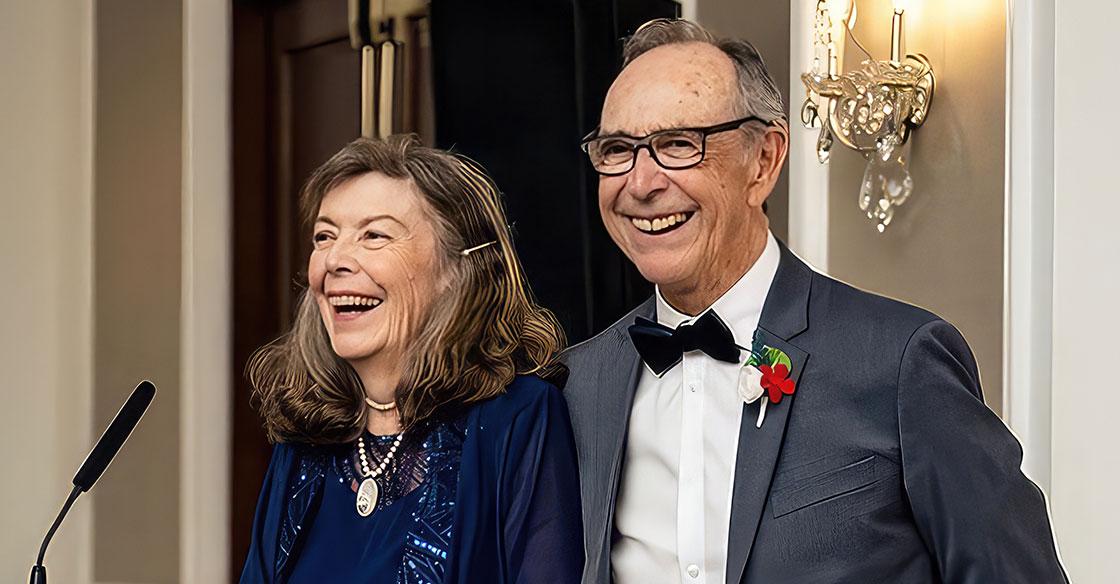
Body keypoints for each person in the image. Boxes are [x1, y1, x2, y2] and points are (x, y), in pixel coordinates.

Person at [562, 18, 1067, 584]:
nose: (641, 182)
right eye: (617, 150)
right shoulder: (578, 384)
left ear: (764, 162)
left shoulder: (900, 361)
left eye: (679, 145)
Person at [240, 136, 583, 583]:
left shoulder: (518, 418)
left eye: (374, 235)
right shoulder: (305, 443)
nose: (334, 260)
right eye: (324, 236)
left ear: (456, 270)